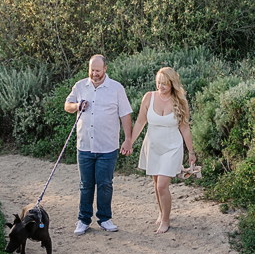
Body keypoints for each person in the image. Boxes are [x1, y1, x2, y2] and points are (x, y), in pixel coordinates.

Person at [65, 55, 133, 235]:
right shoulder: (80, 86)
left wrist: (128, 139)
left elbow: (125, 114)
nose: (94, 74)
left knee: (105, 184)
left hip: (107, 147)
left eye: (97, 70)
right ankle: (83, 220)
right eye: (91, 70)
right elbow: (67, 105)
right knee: (86, 184)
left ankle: (104, 219)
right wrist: (77, 106)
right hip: (85, 145)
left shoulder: (116, 88)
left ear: (105, 69)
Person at [131, 66, 196, 233]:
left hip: (172, 148)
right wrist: (129, 141)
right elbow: (140, 122)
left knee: (162, 186)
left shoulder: (180, 102)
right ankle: (161, 212)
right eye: (158, 83)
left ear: (172, 84)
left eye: (164, 84)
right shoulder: (149, 97)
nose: (160, 86)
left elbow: (185, 128)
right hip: (152, 146)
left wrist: (191, 152)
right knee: (155, 182)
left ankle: (166, 220)